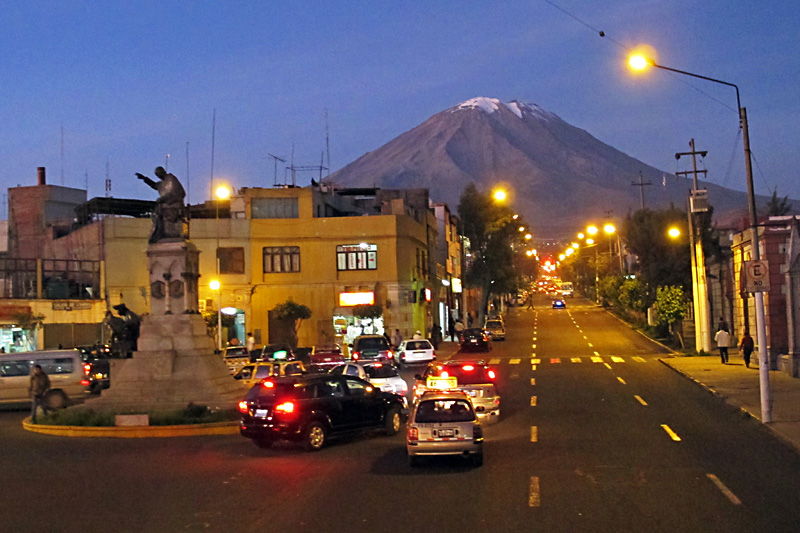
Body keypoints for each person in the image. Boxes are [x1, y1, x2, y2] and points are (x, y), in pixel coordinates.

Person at [136, 166, 187, 244]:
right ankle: (159, 231)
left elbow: (177, 193)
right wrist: (144, 179)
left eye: (159, 174)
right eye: (157, 175)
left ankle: (161, 232)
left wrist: (163, 199)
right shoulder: (162, 182)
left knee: (159, 211)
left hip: (174, 203)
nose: (158, 176)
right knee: (156, 212)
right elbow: (155, 185)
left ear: (163, 172)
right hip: (167, 204)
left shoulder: (171, 179)